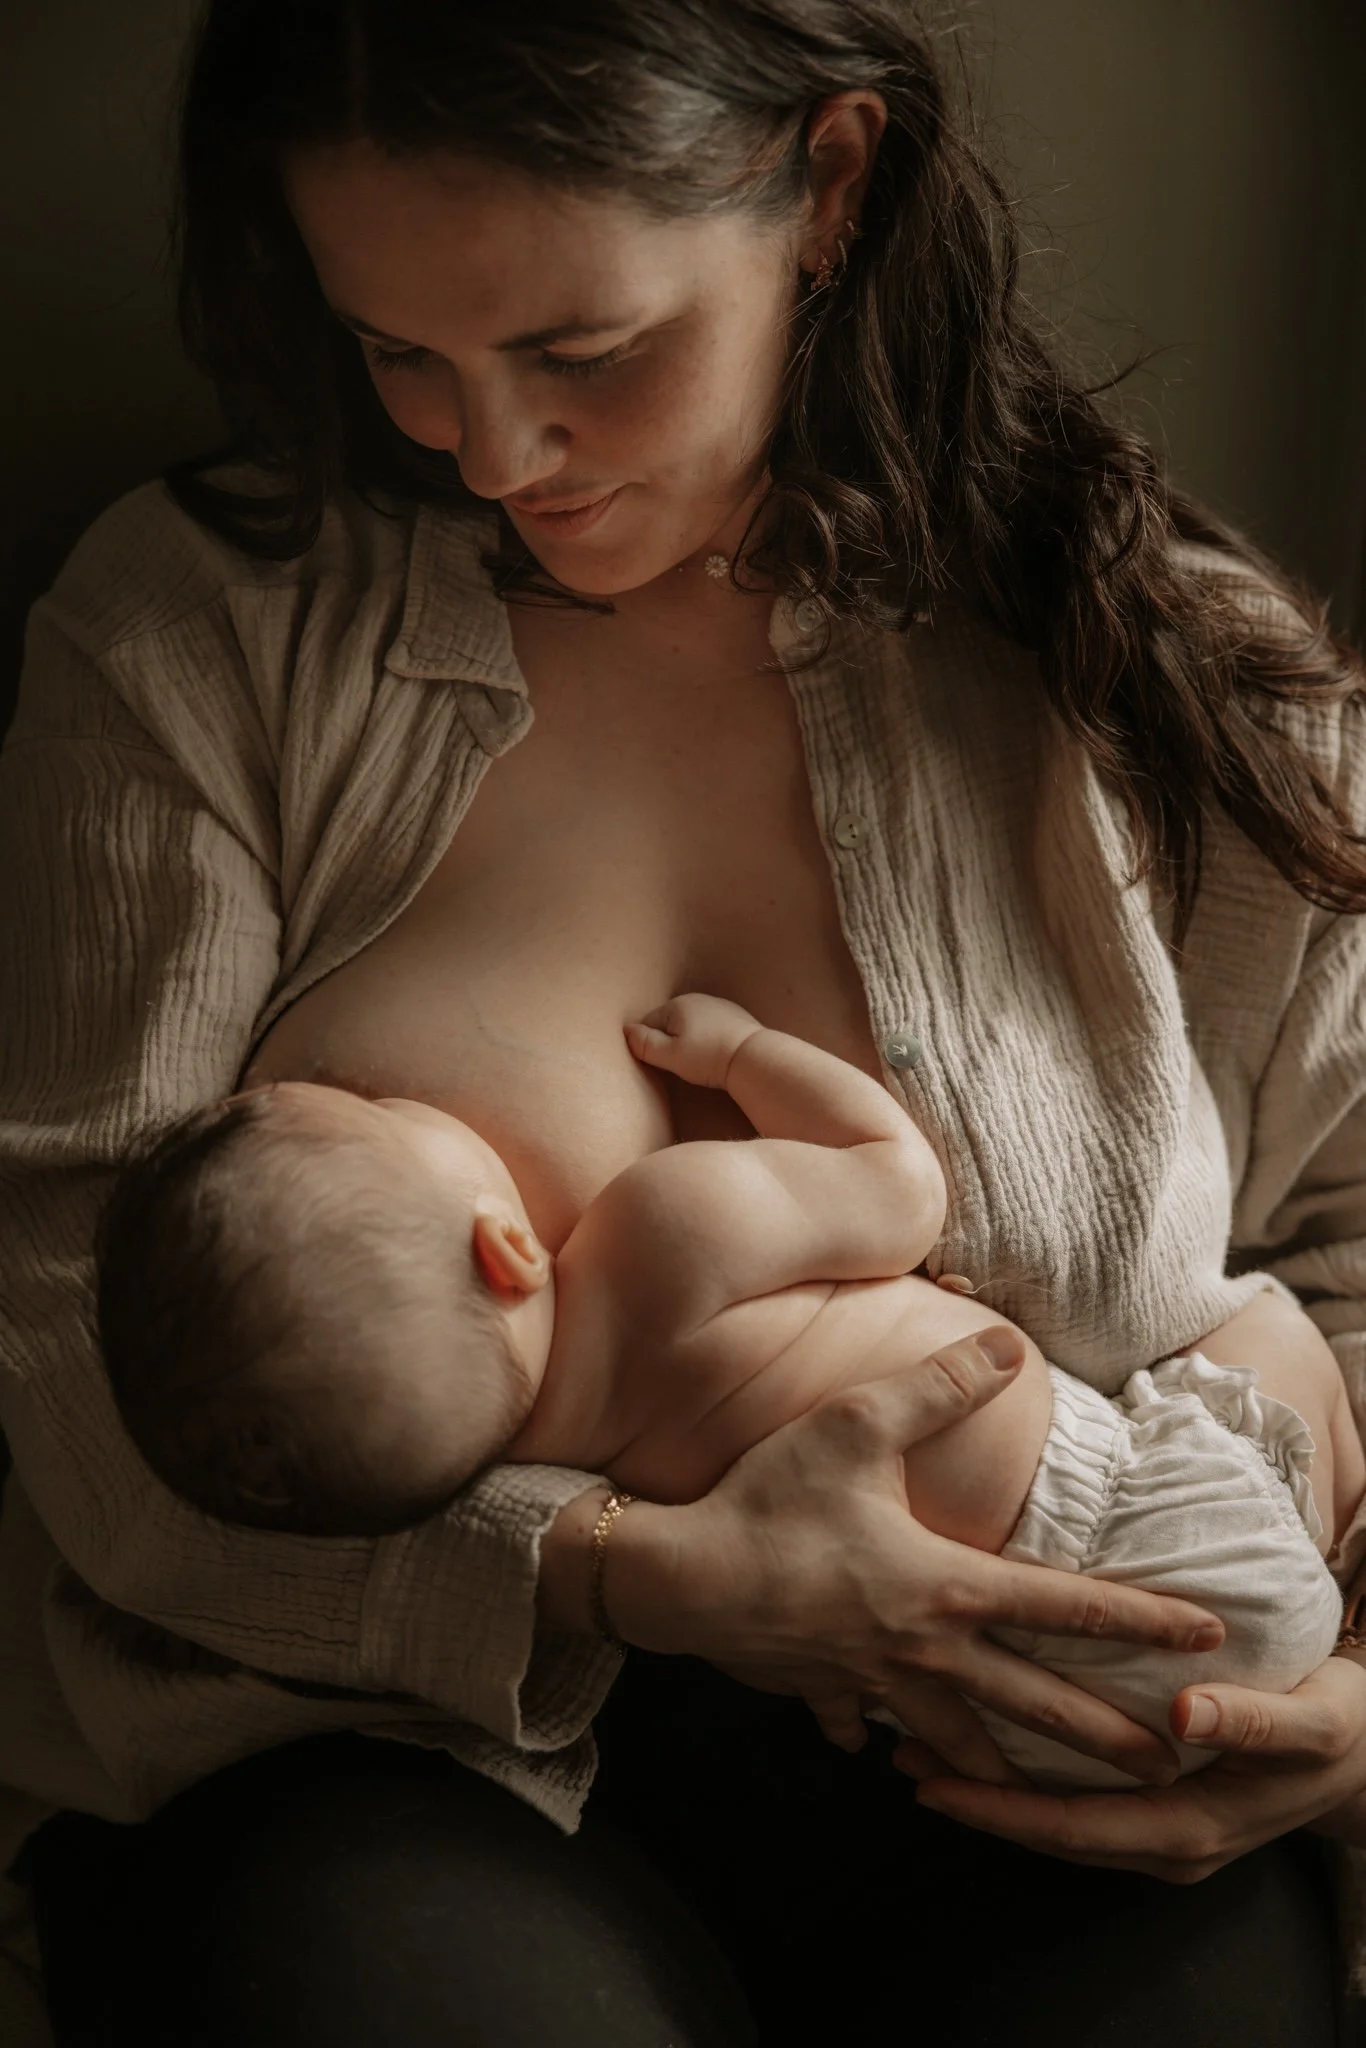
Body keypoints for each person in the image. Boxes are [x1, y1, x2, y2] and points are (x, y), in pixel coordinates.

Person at [2, 2, 1365, 2043]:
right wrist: (628, 1571)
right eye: (398, 349)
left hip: (1045, 1702)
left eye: (580, 353)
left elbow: (1349, 1235)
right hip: (369, 1750)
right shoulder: (200, 633)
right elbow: (77, 1370)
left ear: (825, 187)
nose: (488, 451)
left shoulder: (1171, 677)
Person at [94, 991, 1353, 1796]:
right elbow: (899, 1184)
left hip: (1025, 1722)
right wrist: (749, 1055)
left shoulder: (563, 1473)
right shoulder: (658, 1228)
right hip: (1161, 1521)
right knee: (1254, 1322)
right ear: (507, 1247)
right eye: (383, 1111)